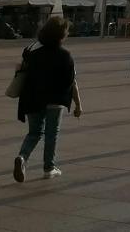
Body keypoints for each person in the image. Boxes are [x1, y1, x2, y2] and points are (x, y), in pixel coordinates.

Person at [14, 16, 83, 182]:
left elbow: (20, 70)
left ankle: (22, 157)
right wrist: (78, 104)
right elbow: (71, 82)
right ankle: (49, 167)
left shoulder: (30, 51)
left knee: (34, 132)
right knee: (51, 134)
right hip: (55, 99)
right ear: (61, 35)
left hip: (32, 97)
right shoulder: (65, 55)